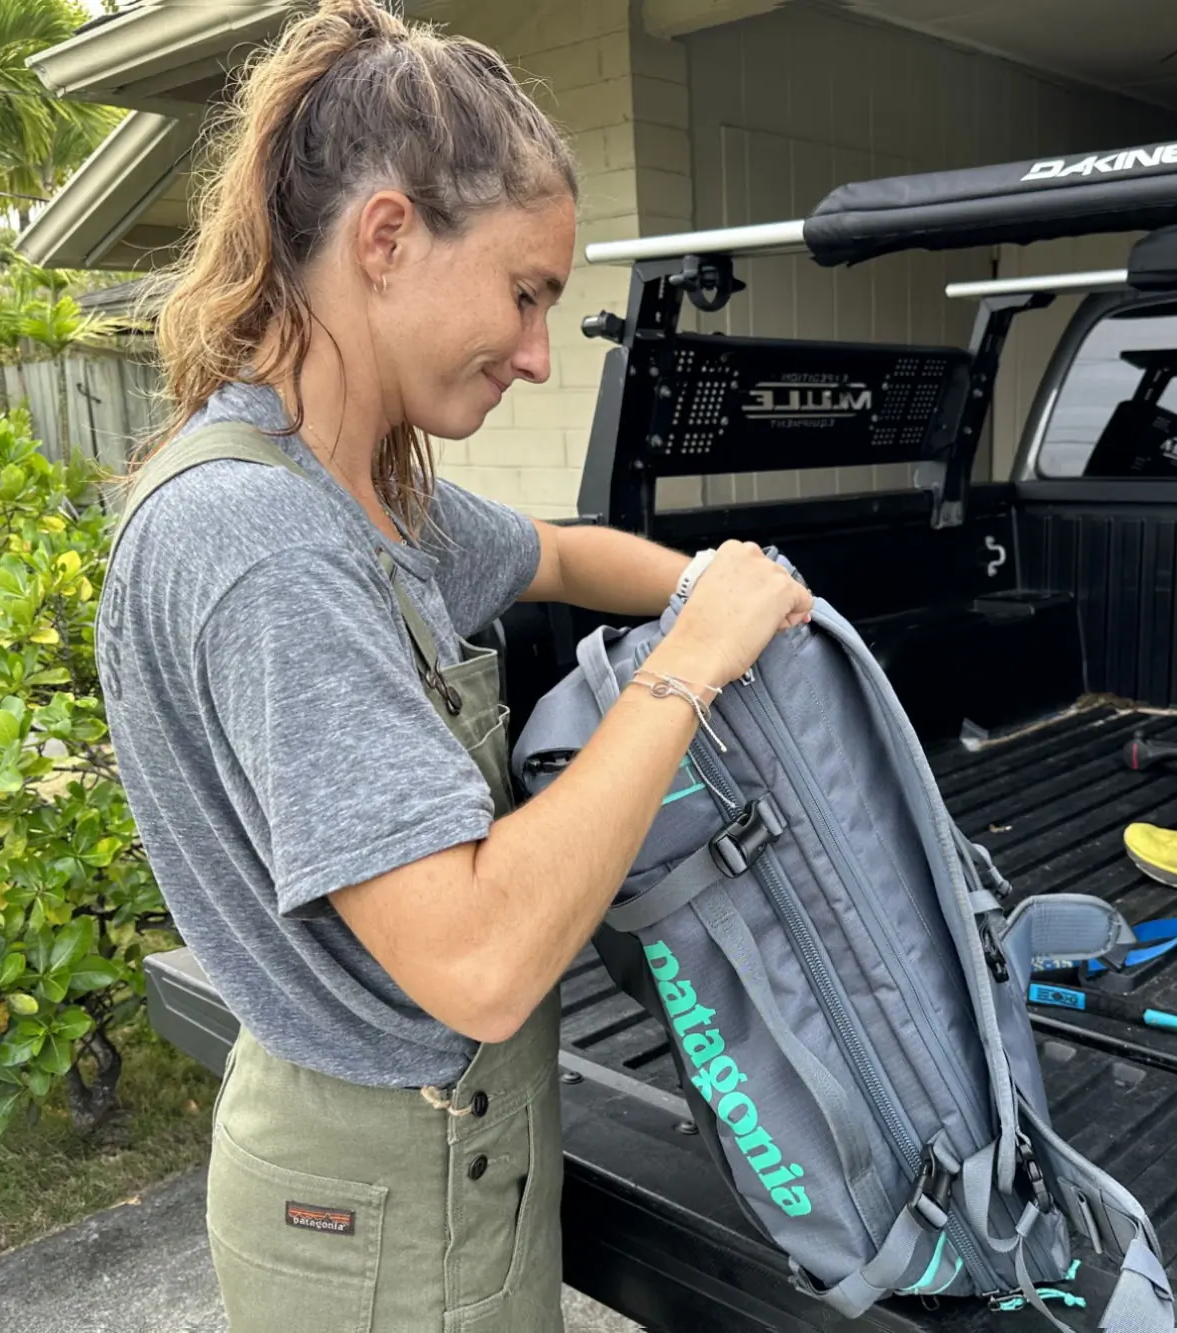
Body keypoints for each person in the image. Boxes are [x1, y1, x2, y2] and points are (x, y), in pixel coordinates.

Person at [94, 2, 812, 1329]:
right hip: (378, 1210)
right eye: (526, 292)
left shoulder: (367, 499)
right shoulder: (263, 542)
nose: (541, 352)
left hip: (452, 1153)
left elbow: (560, 552)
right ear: (384, 239)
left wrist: (742, 596)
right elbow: (477, 961)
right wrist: (689, 669)